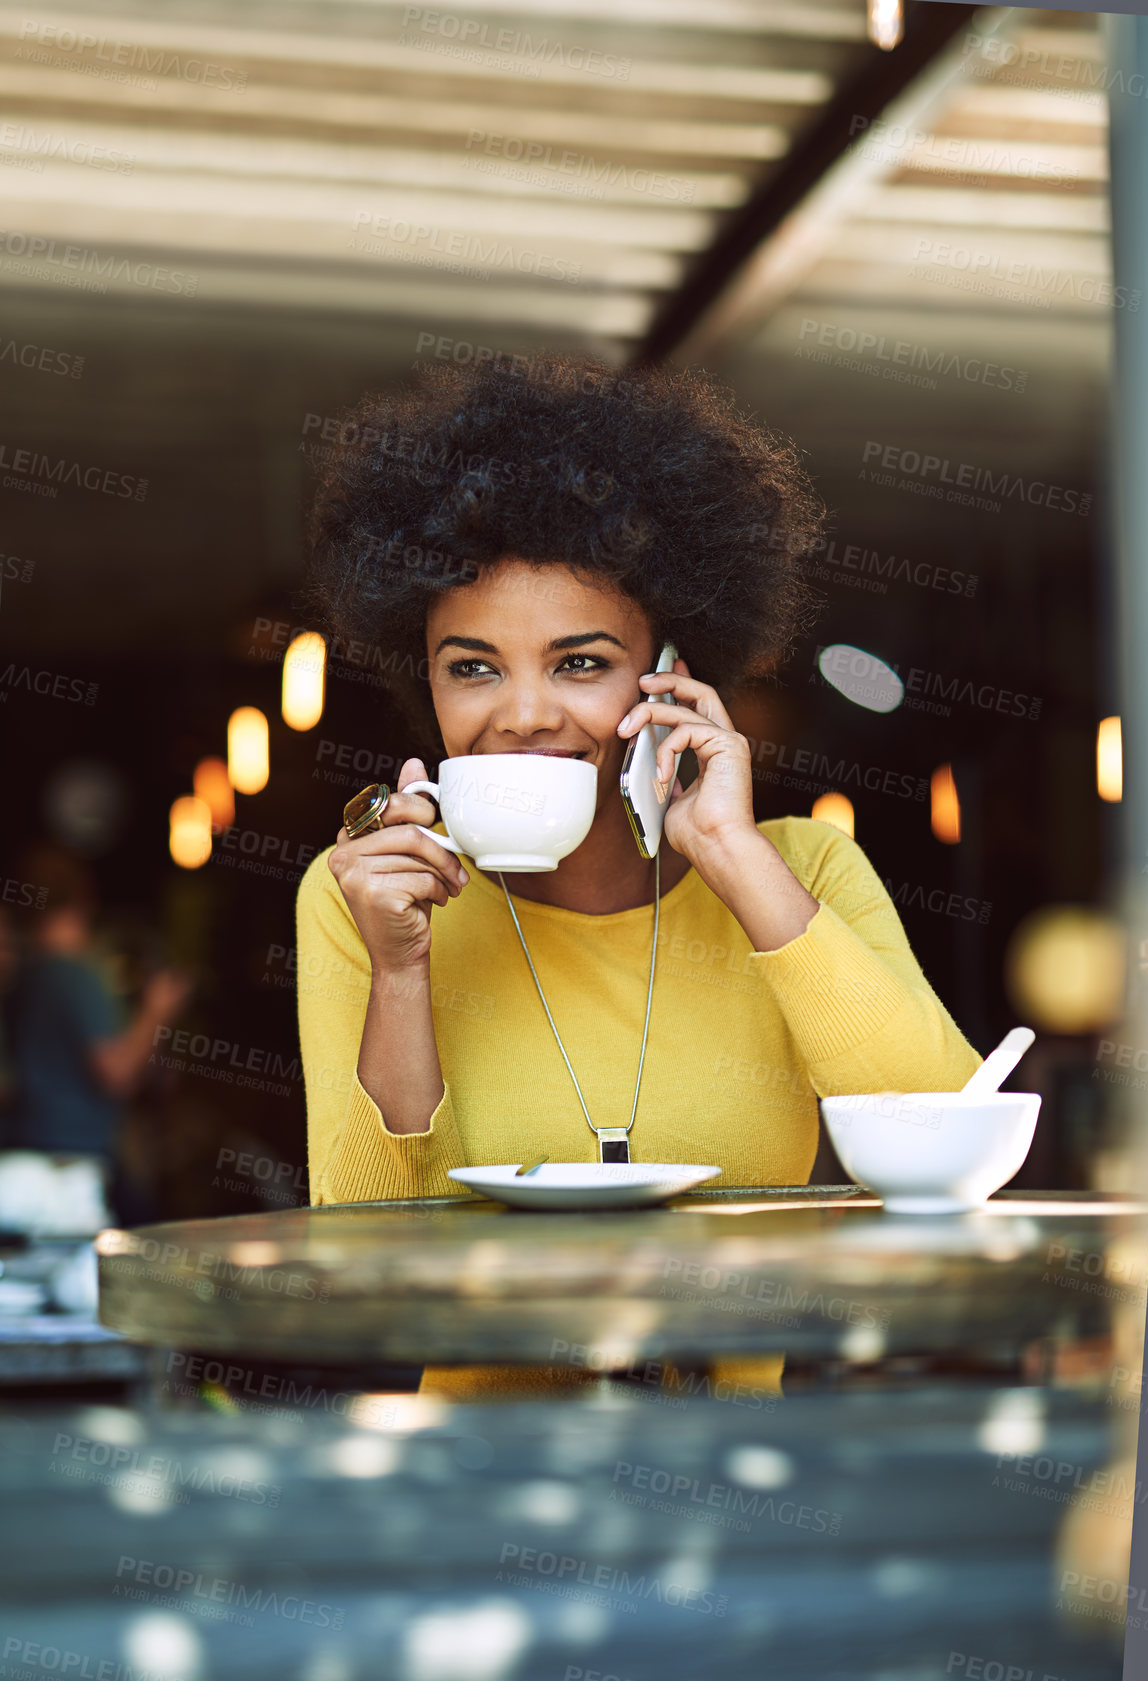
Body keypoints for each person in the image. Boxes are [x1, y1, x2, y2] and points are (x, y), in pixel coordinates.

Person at [295, 353, 981, 1397]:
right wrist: (400, 975)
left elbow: (950, 1155)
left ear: (669, 673)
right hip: (474, 1501)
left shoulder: (804, 871)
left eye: (580, 662)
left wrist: (734, 857)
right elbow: (360, 1268)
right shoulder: (369, 894)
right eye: (472, 666)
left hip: (732, 1502)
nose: (522, 713)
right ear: (422, 681)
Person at [4, 850, 192, 1228]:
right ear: (84, 901)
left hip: (22, 1156)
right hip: (73, 1170)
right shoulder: (78, 975)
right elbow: (117, 1073)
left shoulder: (22, 975)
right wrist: (157, 1010)